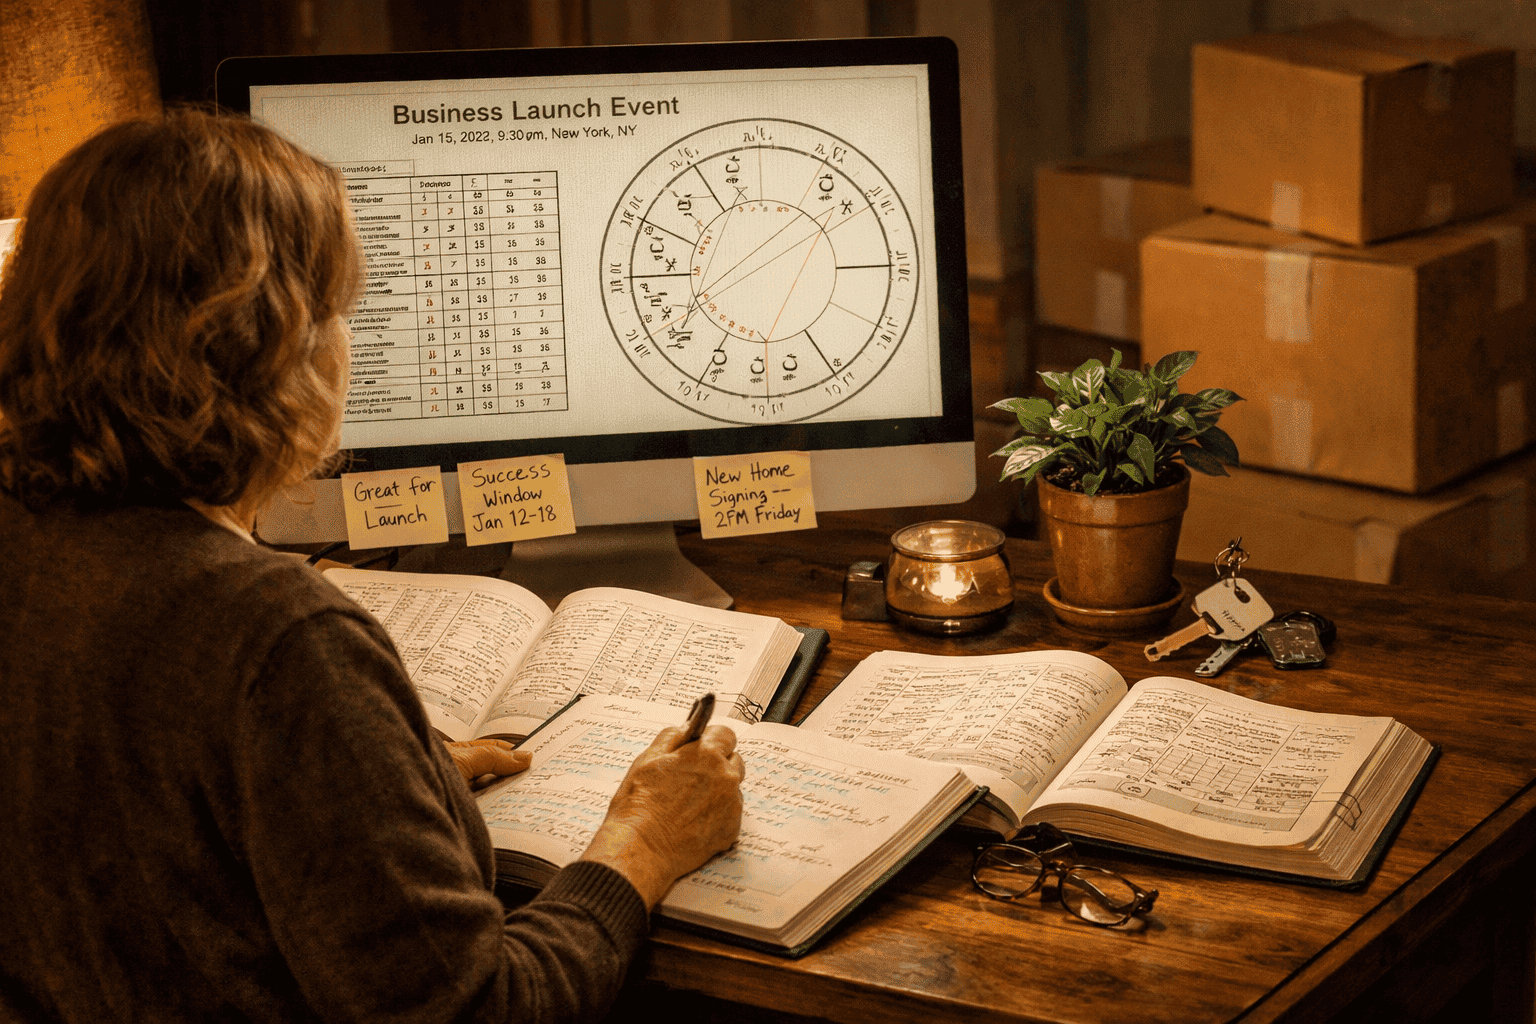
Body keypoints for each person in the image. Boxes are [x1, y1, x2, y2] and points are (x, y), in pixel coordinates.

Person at [0, 108, 744, 1022]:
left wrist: (380, 773)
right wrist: (642, 843)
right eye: (342, 311)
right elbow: (478, 1008)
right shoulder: (275, 632)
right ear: (275, 347)